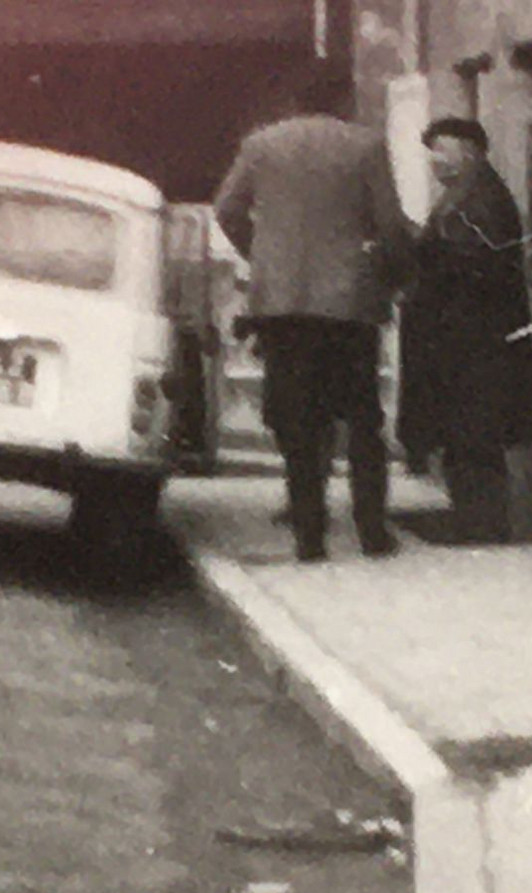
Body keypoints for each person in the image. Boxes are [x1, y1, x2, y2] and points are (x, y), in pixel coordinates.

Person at [214, 68, 415, 562]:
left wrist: (263, 258)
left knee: (297, 418)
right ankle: (372, 533)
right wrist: (389, 277)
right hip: (347, 305)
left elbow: (226, 209)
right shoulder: (365, 145)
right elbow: (390, 226)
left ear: (294, 100)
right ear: (344, 99)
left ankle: (309, 536)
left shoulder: (261, 145)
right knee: (363, 420)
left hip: (283, 306)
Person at [398, 117, 532, 545]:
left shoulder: (479, 200)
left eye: (445, 149)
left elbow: (468, 265)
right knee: (467, 436)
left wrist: (415, 249)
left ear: (472, 151)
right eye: (433, 152)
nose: (436, 160)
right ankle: (474, 522)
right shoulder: (465, 195)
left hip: (473, 339)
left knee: (473, 436)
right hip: (465, 337)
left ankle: (482, 526)